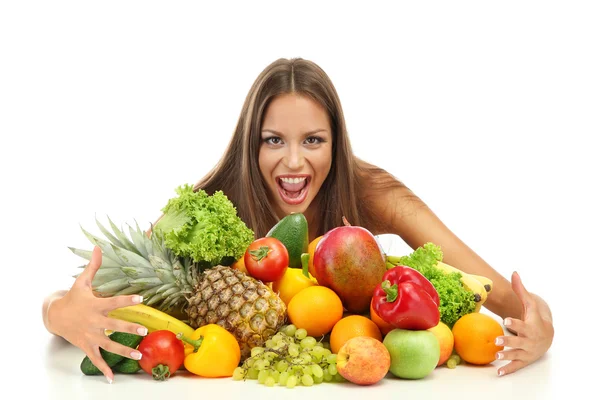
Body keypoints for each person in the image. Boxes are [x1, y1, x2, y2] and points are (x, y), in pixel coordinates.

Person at [42, 57, 554, 382]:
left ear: (336, 141)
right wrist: (58, 314)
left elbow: (502, 292)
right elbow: (79, 297)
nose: (293, 163)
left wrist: (542, 327)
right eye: (273, 140)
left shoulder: (369, 190)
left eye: (313, 140)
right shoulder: (212, 204)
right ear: (251, 144)